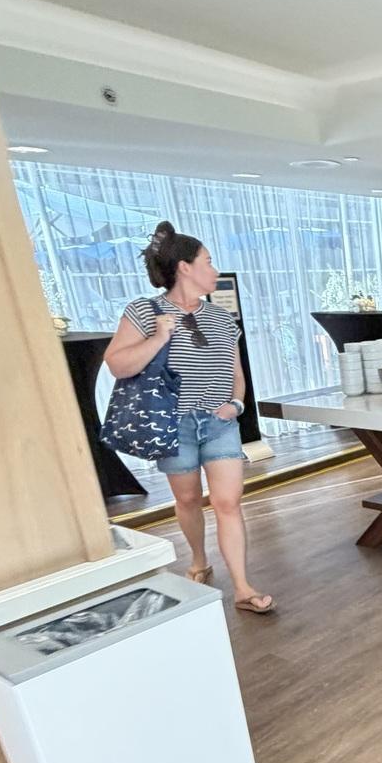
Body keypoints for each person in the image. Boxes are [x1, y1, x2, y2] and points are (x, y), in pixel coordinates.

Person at [105, 221, 275, 614]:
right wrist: (158, 338)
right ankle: (199, 560)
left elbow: (236, 374)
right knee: (187, 499)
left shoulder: (221, 318)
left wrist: (236, 405)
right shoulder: (144, 311)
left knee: (228, 501)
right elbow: (117, 364)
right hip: (173, 424)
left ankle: (243, 587)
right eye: (208, 261)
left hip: (219, 422)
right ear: (185, 267)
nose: (215, 269)